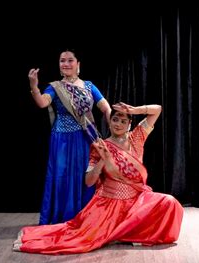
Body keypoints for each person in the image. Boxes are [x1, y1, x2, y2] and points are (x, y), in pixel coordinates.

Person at [13, 102, 184, 254]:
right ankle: (121, 233)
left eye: (124, 121)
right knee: (82, 239)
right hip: (110, 205)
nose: (118, 124)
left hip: (137, 199)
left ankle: (127, 233)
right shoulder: (100, 147)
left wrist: (135, 109)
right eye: (115, 119)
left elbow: (157, 110)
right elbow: (89, 182)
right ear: (109, 121)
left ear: (129, 124)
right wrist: (104, 159)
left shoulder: (137, 138)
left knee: (170, 203)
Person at [29, 48, 111, 225]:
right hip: (63, 141)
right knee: (62, 177)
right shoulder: (55, 87)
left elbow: (105, 107)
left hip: (86, 140)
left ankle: (86, 217)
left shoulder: (89, 86)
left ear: (78, 64)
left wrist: (114, 128)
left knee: (86, 177)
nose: (65, 64)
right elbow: (43, 103)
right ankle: (63, 217)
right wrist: (34, 86)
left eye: (70, 60)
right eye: (62, 61)